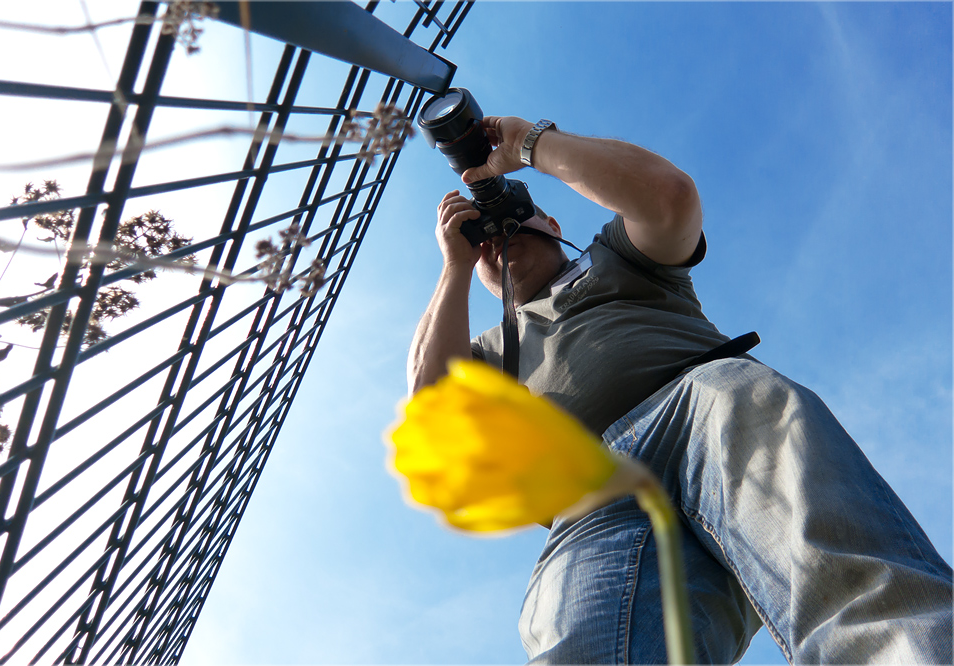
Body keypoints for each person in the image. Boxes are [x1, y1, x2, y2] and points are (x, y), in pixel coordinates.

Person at [406, 115, 953, 664]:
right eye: (486, 240)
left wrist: (530, 144)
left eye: (517, 218)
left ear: (551, 222)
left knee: (834, 563)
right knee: (581, 649)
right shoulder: (485, 353)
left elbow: (668, 198)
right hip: (589, 491)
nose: (501, 237)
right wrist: (454, 264)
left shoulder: (616, 259)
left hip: (703, 402)